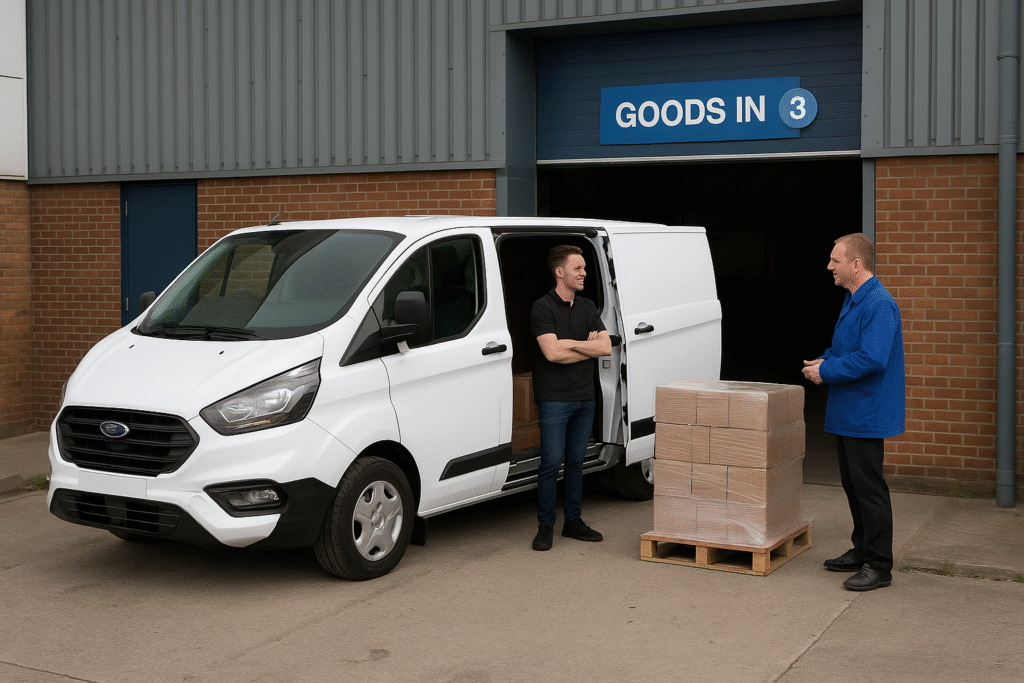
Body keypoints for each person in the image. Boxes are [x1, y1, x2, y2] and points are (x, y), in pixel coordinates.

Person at [803, 233, 906, 591]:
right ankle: (861, 550)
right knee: (853, 486)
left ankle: (879, 565)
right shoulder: (854, 299)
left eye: (836, 260)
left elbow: (873, 358)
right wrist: (824, 359)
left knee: (869, 489)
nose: (829, 266)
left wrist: (827, 372)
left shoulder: (879, 304)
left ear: (856, 265)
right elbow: (849, 348)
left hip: (866, 413)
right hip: (850, 411)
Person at [529, 245, 612, 551]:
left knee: (576, 463)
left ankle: (573, 522)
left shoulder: (588, 307)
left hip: (584, 398)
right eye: (578, 269)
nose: (584, 273)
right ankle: (545, 525)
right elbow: (552, 353)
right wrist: (586, 347)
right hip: (554, 399)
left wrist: (569, 345)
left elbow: (606, 348)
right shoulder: (542, 308)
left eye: (584, 269)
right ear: (559, 272)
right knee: (551, 463)